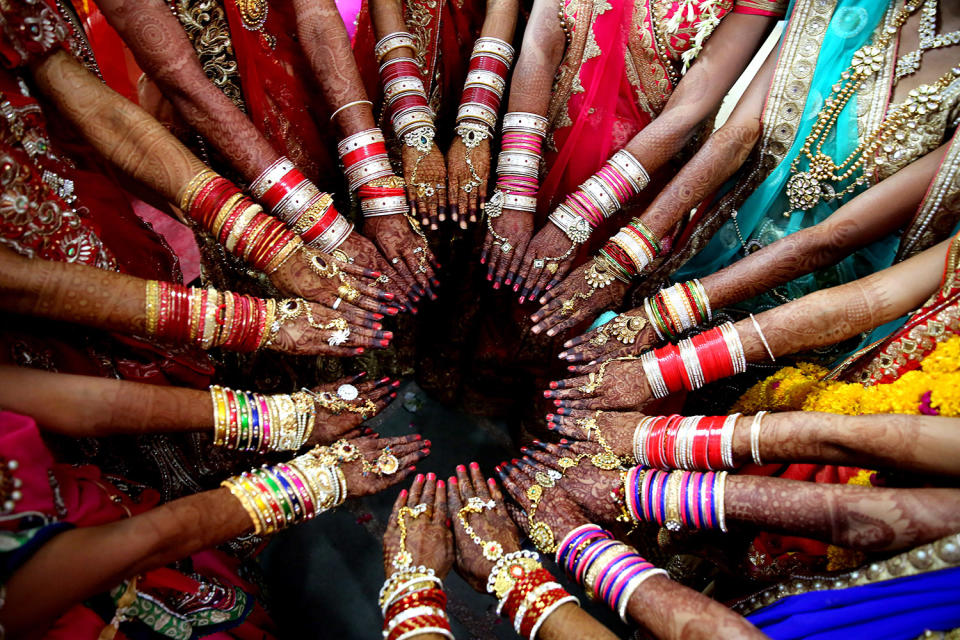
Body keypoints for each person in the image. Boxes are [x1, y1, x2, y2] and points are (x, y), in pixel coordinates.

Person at [538, 0, 960, 349]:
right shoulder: (849, 6)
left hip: (824, 300)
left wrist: (664, 315)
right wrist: (623, 257)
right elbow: (738, 134)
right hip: (721, 240)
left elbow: (836, 236)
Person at [0, 408, 427, 638]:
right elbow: (148, 542)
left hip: (96, 521)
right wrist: (316, 481)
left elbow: (84, 403)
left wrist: (271, 414)